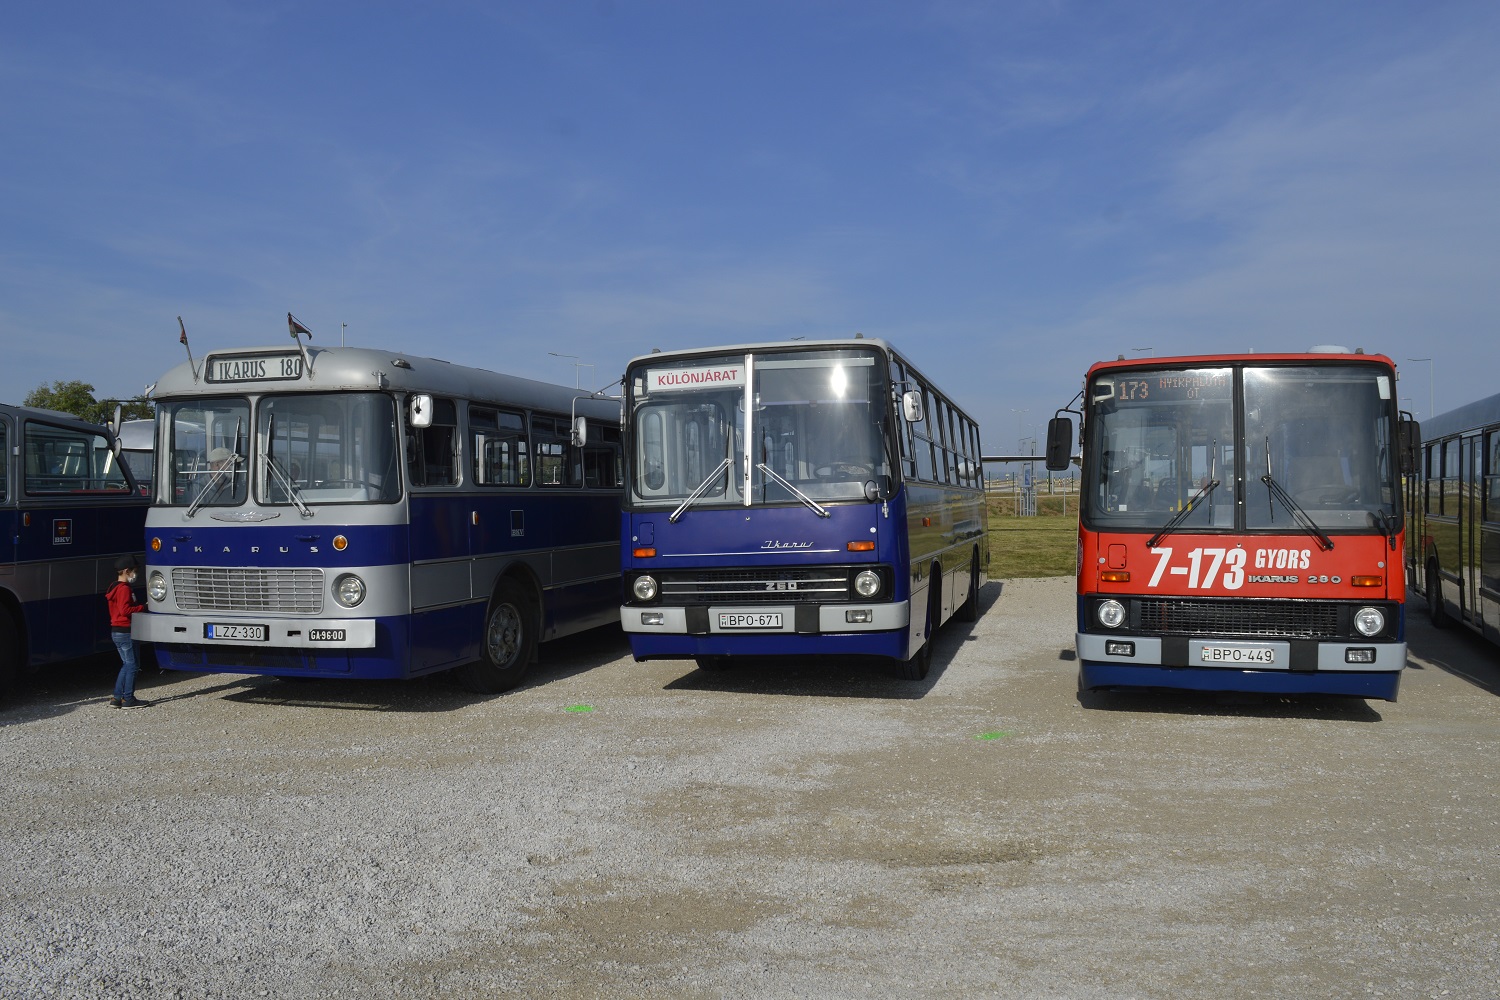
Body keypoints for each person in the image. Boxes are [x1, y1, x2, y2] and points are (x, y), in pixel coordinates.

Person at [106, 555, 150, 708]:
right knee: (132, 665)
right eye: (134, 571)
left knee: (127, 664)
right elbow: (125, 610)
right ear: (126, 571)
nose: (135, 574)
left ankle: (117, 698)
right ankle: (128, 698)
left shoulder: (113, 587)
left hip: (116, 631)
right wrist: (143, 607)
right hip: (126, 631)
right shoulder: (124, 589)